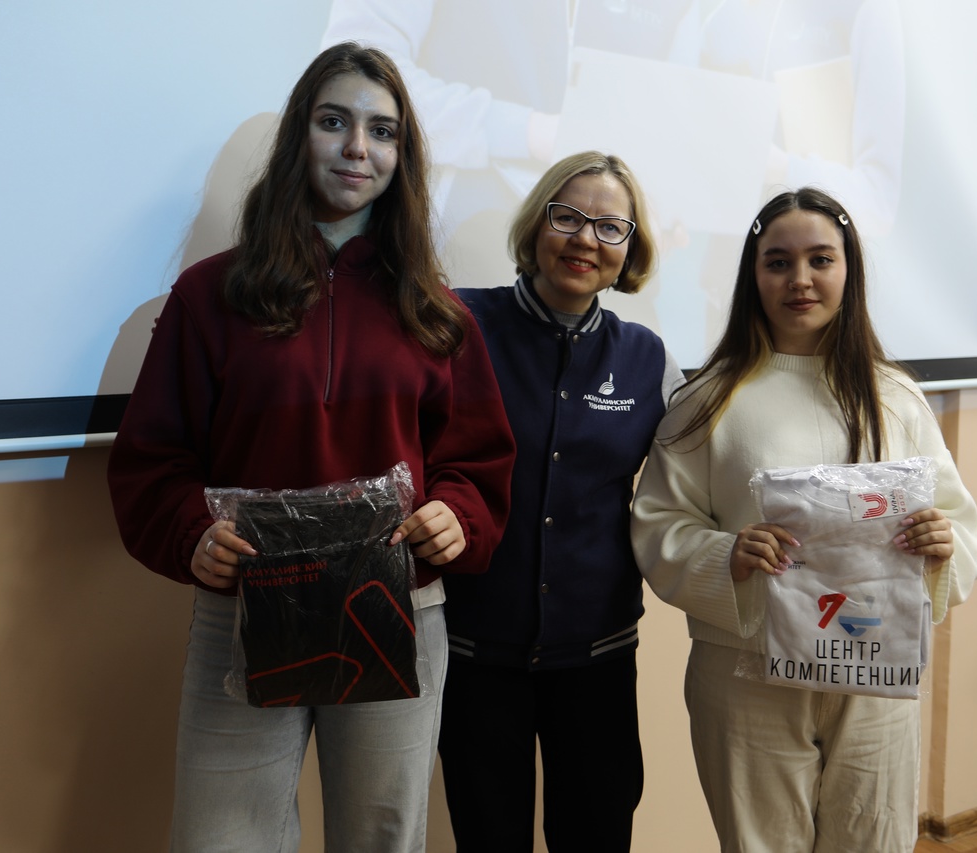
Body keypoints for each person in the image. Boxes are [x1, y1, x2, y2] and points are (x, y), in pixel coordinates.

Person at [106, 42, 516, 852]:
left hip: (397, 608)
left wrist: (457, 515)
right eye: (335, 122)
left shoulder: (437, 312)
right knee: (222, 838)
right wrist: (192, 536)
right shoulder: (209, 296)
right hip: (246, 605)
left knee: (381, 836)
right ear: (301, 135)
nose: (358, 147)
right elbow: (153, 459)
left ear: (402, 156)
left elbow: (477, 461)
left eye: (382, 130)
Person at [629, 187, 977, 852]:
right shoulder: (707, 400)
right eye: (778, 262)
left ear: (849, 269)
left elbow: (955, 522)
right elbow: (659, 522)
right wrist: (726, 553)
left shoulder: (896, 397)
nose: (800, 279)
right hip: (746, 670)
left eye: (821, 259)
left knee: (873, 837)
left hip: (874, 671)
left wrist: (943, 543)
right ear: (752, 275)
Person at [439, 152, 684, 852]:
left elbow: (697, 483)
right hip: (475, 654)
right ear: (536, 223)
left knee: (597, 836)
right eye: (567, 217)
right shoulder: (456, 324)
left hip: (597, 658)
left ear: (630, 247)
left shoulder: (648, 358)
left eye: (610, 227)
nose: (585, 239)